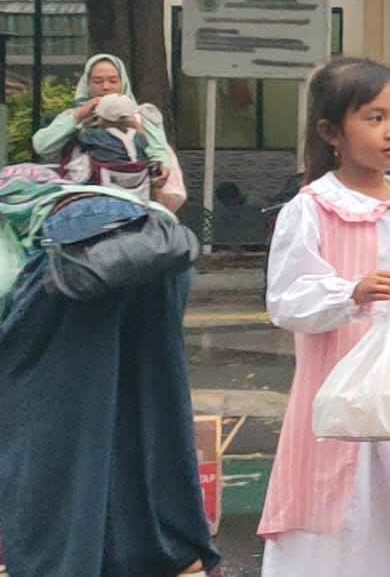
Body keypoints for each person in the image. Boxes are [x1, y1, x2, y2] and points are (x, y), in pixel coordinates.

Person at [258, 57, 390, 577]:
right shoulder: (311, 209)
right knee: (335, 505)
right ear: (331, 132)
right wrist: (350, 292)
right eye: (374, 118)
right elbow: (287, 298)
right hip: (336, 397)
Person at [0, 163, 221, 577]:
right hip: (159, 249)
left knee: (47, 438)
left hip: (69, 269)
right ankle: (165, 548)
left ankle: (62, 561)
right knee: (147, 410)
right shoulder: (52, 186)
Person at [33, 53, 186, 212]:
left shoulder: (143, 117)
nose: (106, 87)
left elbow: (159, 151)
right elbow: (42, 146)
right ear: (87, 84)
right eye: (98, 81)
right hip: (83, 204)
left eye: (113, 81)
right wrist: (80, 114)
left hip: (137, 202)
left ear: (123, 83)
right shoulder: (74, 117)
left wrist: (161, 168)